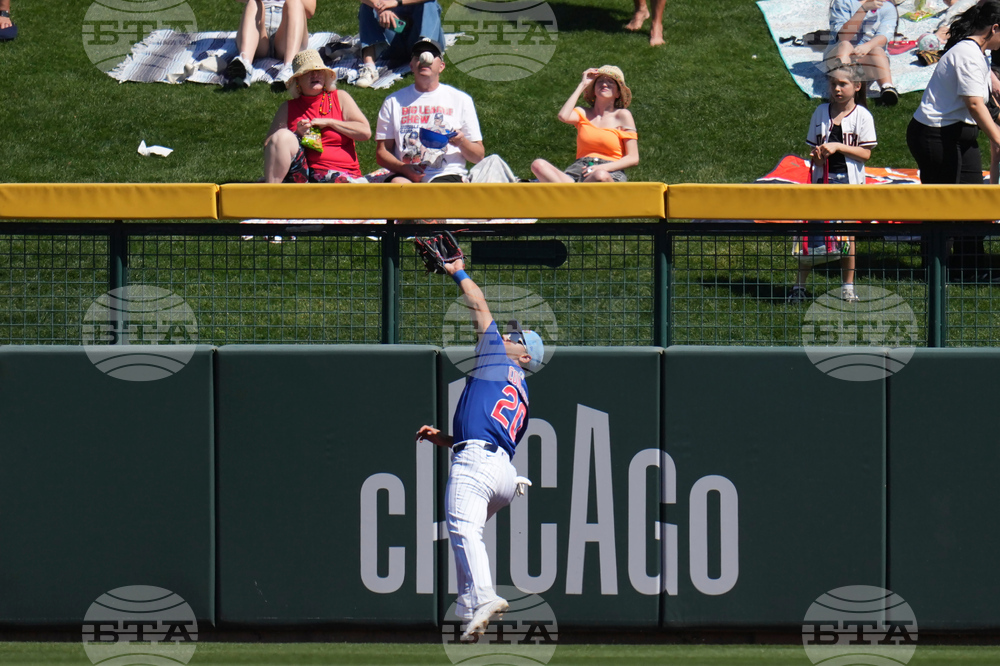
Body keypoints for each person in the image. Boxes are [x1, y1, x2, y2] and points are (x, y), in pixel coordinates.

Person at [414, 247, 544, 643]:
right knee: (464, 531)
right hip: (501, 473)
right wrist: (446, 439)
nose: (504, 335)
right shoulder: (519, 390)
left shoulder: (494, 359)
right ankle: (470, 609)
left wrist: (458, 272)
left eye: (513, 336)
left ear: (524, 355)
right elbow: (489, 435)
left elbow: (479, 305)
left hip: (478, 465)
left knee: (463, 529)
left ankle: (484, 597)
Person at [907, 0, 1000, 280]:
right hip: (934, 136)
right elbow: (974, 104)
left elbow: (986, 103)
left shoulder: (978, 54)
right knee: (942, 203)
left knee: (973, 199)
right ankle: (935, 269)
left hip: (959, 135)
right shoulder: (968, 54)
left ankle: (970, 267)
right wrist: (997, 138)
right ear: (994, 28)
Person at [788, 63, 876, 304]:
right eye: (833, 84)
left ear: (857, 87)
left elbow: (866, 154)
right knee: (811, 231)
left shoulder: (862, 115)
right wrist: (816, 156)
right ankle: (799, 286)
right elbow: (811, 149)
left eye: (843, 84)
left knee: (847, 235)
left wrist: (838, 146)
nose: (837, 89)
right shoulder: (820, 112)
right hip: (821, 181)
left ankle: (848, 287)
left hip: (848, 183)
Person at [374, 39, 484, 183]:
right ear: (411, 65)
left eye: (431, 54)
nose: (424, 59)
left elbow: (478, 156)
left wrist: (461, 141)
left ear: (441, 66)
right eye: (418, 55)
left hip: (447, 174)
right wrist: (402, 168)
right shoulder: (393, 101)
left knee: (438, 190)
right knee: (398, 184)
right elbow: (382, 152)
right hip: (406, 175)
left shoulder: (461, 100)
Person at [262, 49, 370, 183]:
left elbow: (365, 132)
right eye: (308, 72)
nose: (315, 75)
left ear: (325, 76)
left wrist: (330, 122)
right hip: (305, 173)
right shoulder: (288, 107)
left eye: (319, 71)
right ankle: (271, 193)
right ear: (298, 81)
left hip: (343, 173)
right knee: (283, 136)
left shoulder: (340, 97)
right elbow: (270, 145)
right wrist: (296, 135)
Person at [531, 66, 638, 183]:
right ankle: (574, 194)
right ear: (594, 89)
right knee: (538, 165)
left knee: (600, 176)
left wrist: (601, 168)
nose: (604, 84)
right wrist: (582, 85)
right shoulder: (583, 113)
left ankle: (570, 195)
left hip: (609, 171)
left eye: (610, 82)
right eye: (600, 81)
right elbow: (563, 116)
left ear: (618, 93)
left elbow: (633, 158)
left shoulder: (622, 115)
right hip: (578, 171)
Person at [226, 0, 315, 90]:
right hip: (259, 30)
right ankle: (244, 65)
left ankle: (289, 67)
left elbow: (310, 10)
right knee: (254, 2)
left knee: (294, 2)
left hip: (287, 30)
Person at [355, 0, 446, 88]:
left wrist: (396, 2)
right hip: (393, 33)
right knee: (366, 6)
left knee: (430, 3)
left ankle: (426, 55)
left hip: (419, 35)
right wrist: (380, 7)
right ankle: (369, 68)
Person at [824, 0, 899, 105]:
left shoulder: (887, 7)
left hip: (866, 64)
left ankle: (887, 88)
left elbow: (883, 37)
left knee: (877, 50)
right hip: (838, 58)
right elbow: (844, 36)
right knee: (845, 45)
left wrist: (867, 46)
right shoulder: (843, 3)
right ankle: (841, 84)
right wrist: (863, 9)